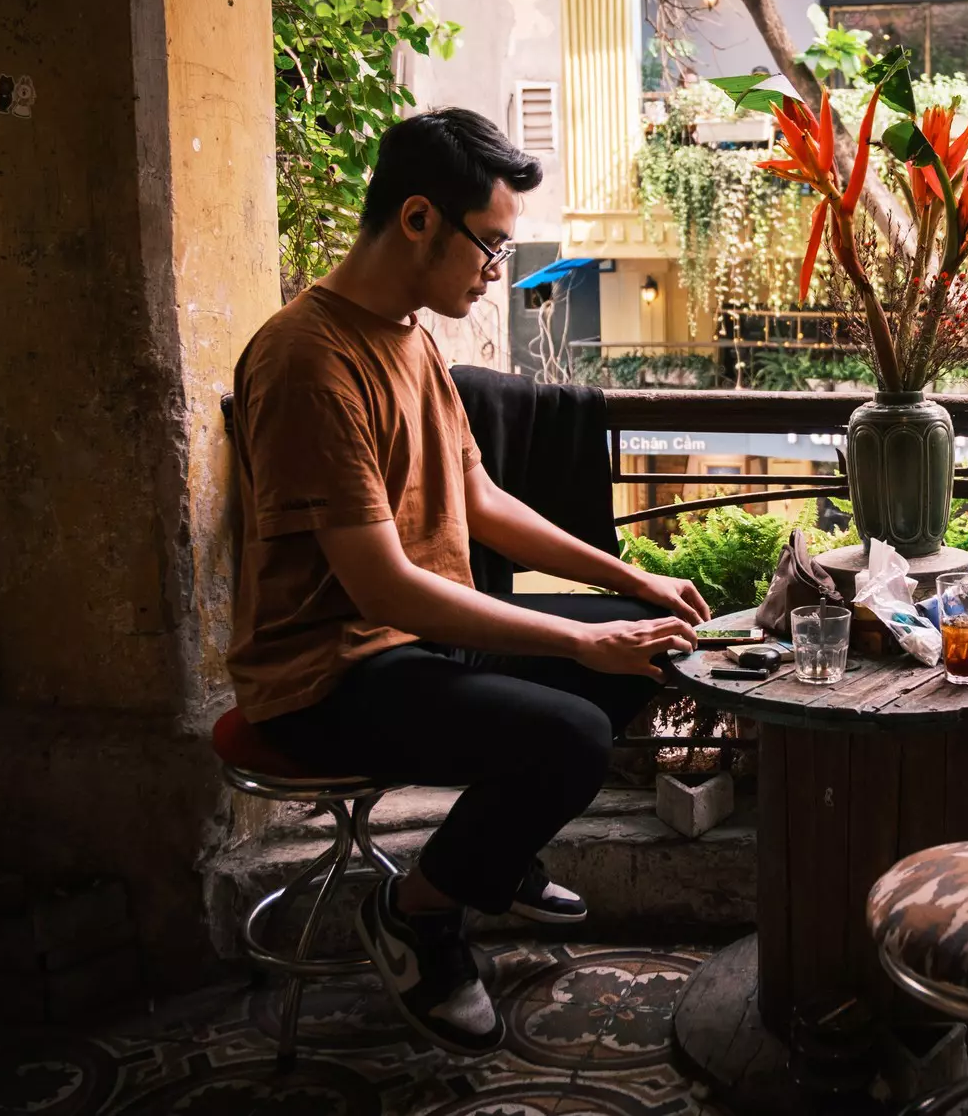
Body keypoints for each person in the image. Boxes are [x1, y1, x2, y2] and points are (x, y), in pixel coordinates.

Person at [225, 108, 709, 1055]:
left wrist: (630, 580)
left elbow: (480, 496)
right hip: (325, 674)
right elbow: (383, 590)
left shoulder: (409, 337)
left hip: (409, 645)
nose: (496, 270)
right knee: (569, 730)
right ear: (417, 219)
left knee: (642, 651)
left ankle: (492, 853)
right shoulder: (307, 359)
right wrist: (576, 636)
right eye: (488, 245)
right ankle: (417, 914)